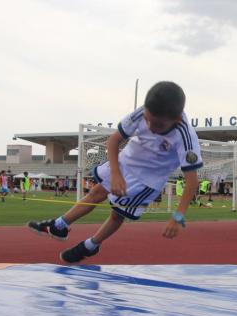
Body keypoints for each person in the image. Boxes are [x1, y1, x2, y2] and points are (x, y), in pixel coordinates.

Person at [28, 81, 202, 263]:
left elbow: (192, 181)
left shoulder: (186, 137)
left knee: (117, 214)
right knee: (96, 192)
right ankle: (60, 226)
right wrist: (117, 174)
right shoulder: (143, 111)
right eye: (148, 119)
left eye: (157, 125)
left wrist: (178, 216)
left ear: (177, 120)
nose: (150, 126)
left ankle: (91, 245)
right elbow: (113, 140)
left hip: (146, 179)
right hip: (126, 161)